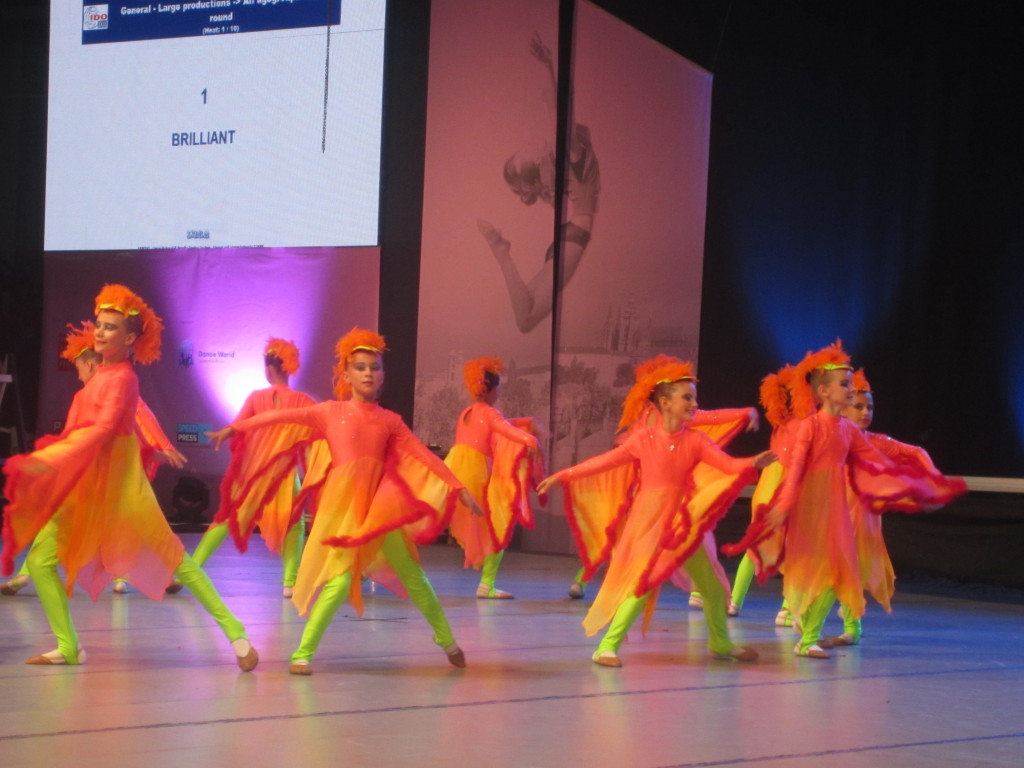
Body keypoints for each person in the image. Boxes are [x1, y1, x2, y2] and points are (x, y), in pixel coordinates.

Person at [1, 285, 258, 670]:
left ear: (131, 338)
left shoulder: (124, 379)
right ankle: (69, 647)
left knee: (174, 558)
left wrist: (45, 459)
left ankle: (236, 631)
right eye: (99, 325)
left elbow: (105, 430)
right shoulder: (89, 387)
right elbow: (83, 436)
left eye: (111, 327)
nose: (101, 332)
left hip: (121, 489)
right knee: (39, 562)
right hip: (83, 488)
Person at [207, 327, 483, 676]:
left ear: (382, 375)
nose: (368, 373)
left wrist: (458, 487)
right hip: (346, 510)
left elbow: (424, 456)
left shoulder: (390, 421)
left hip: (380, 510)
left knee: (414, 576)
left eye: (374, 367)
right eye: (360, 367)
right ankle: (302, 653)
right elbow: (278, 417)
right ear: (346, 375)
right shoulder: (329, 411)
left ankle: (446, 639)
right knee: (339, 580)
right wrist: (236, 428)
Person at [723, 342, 967, 659]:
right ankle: (800, 624)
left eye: (851, 384)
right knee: (814, 571)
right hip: (810, 507)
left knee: (838, 573)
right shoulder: (809, 427)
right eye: (845, 384)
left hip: (835, 509)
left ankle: (808, 636)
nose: (852, 390)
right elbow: (795, 470)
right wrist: (784, 504)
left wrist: (921, 488)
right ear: (823, 391)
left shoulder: (848, 431)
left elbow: (879, 464)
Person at [537, 357, 775, 667]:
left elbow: (728, 465)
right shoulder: (644, 439)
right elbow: (605, 462)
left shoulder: (696, 440)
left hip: (682, 523)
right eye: (687, 398)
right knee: (643, 583)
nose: (694, 404)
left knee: (713, 588)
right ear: (665, 403)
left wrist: (751, 462)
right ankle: (607, 647)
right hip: (650, 521)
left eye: (694, 398)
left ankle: (720, 642)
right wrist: (563, 476)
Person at [2, 321, 187, 597]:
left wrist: (162, 449)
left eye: (78, 367)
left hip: (108, 475)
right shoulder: (94, 394)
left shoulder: (112, 389)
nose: (78, 374)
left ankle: (143, 576)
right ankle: (144, 577)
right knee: (96, 524)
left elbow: (139, 419)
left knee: (113, 525)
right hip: (101, 475)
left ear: (90, 365)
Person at [167, 338, 315, 598]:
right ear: (290, 368)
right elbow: (319, 428)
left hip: (254, 474)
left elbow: (238, 426)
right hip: (285, 474)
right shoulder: (303, 400)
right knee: (294, 524)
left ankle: (190, 571)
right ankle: (289, 582)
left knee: (225, 519)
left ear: (268, 370)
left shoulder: (257, 397)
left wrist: (225, 433)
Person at [828, 368, 964, 646]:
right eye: (858, 407)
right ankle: (807, 619)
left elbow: (916, 452)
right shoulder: (833, 438)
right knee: (829, 571)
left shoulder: (876, 441)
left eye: (869, 407)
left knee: (850, 570)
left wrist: (933, 475)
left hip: (862, 517)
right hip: (833, 512)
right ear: (843, 408)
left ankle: (850, 628)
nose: (865, 412)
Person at [478, 32, 600, 333]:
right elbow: (562, 113)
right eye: (525, 154)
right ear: (535, 164)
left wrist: (548, 67)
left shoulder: (567, 158)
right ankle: (501, 252)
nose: (530, 147)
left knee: (525, 318)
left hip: (568, 236)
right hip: (574, 235)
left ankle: (501, 253)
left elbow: (560, 116)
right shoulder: (571, 155)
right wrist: (548, 66)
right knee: (526, 318)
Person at [444, 356, 543, 599]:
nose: (499, 393)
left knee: (483, 528)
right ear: (492, 389)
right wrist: (531, 440)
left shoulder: (467, 412)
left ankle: (371, 562)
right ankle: (486, 584)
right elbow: (504, 428)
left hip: (455, 470)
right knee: (499, 525)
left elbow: (500, 425)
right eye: (498, 387)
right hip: (476, 474)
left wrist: (525, 423)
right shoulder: (490, 413)